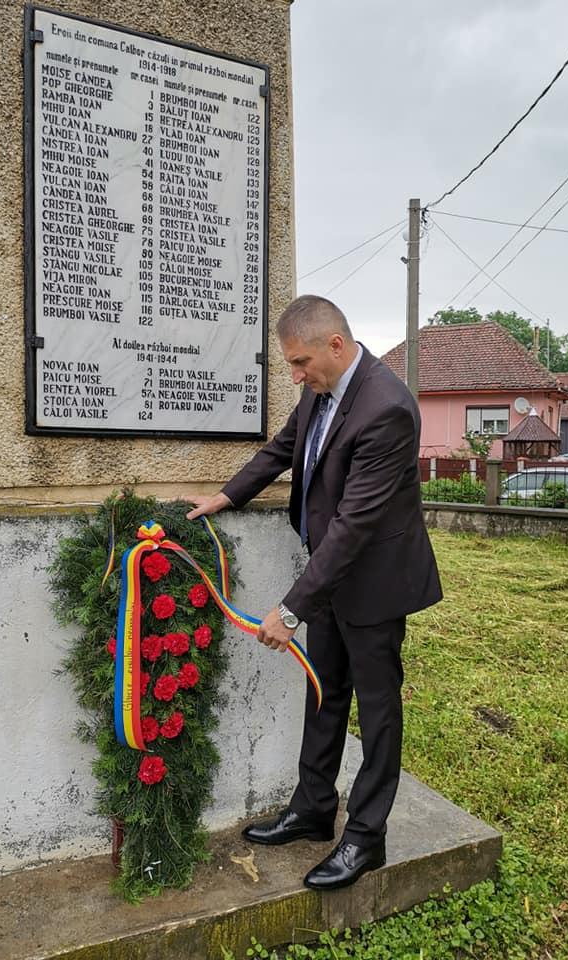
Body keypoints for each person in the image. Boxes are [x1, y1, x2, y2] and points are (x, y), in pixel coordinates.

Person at [187, 295, 442, 891]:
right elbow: (283, 448)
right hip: (329, 577)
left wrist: (291, 609)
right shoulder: (319, 389)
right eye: (290, 365)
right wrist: (225, 497)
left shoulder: (386, 408)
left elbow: (354, 525)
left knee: (377, 712)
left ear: (335, 344)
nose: (296, 376)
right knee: (324, 693)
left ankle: (366, 838)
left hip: (375, 584)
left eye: (301, 362)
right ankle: (313, 808)